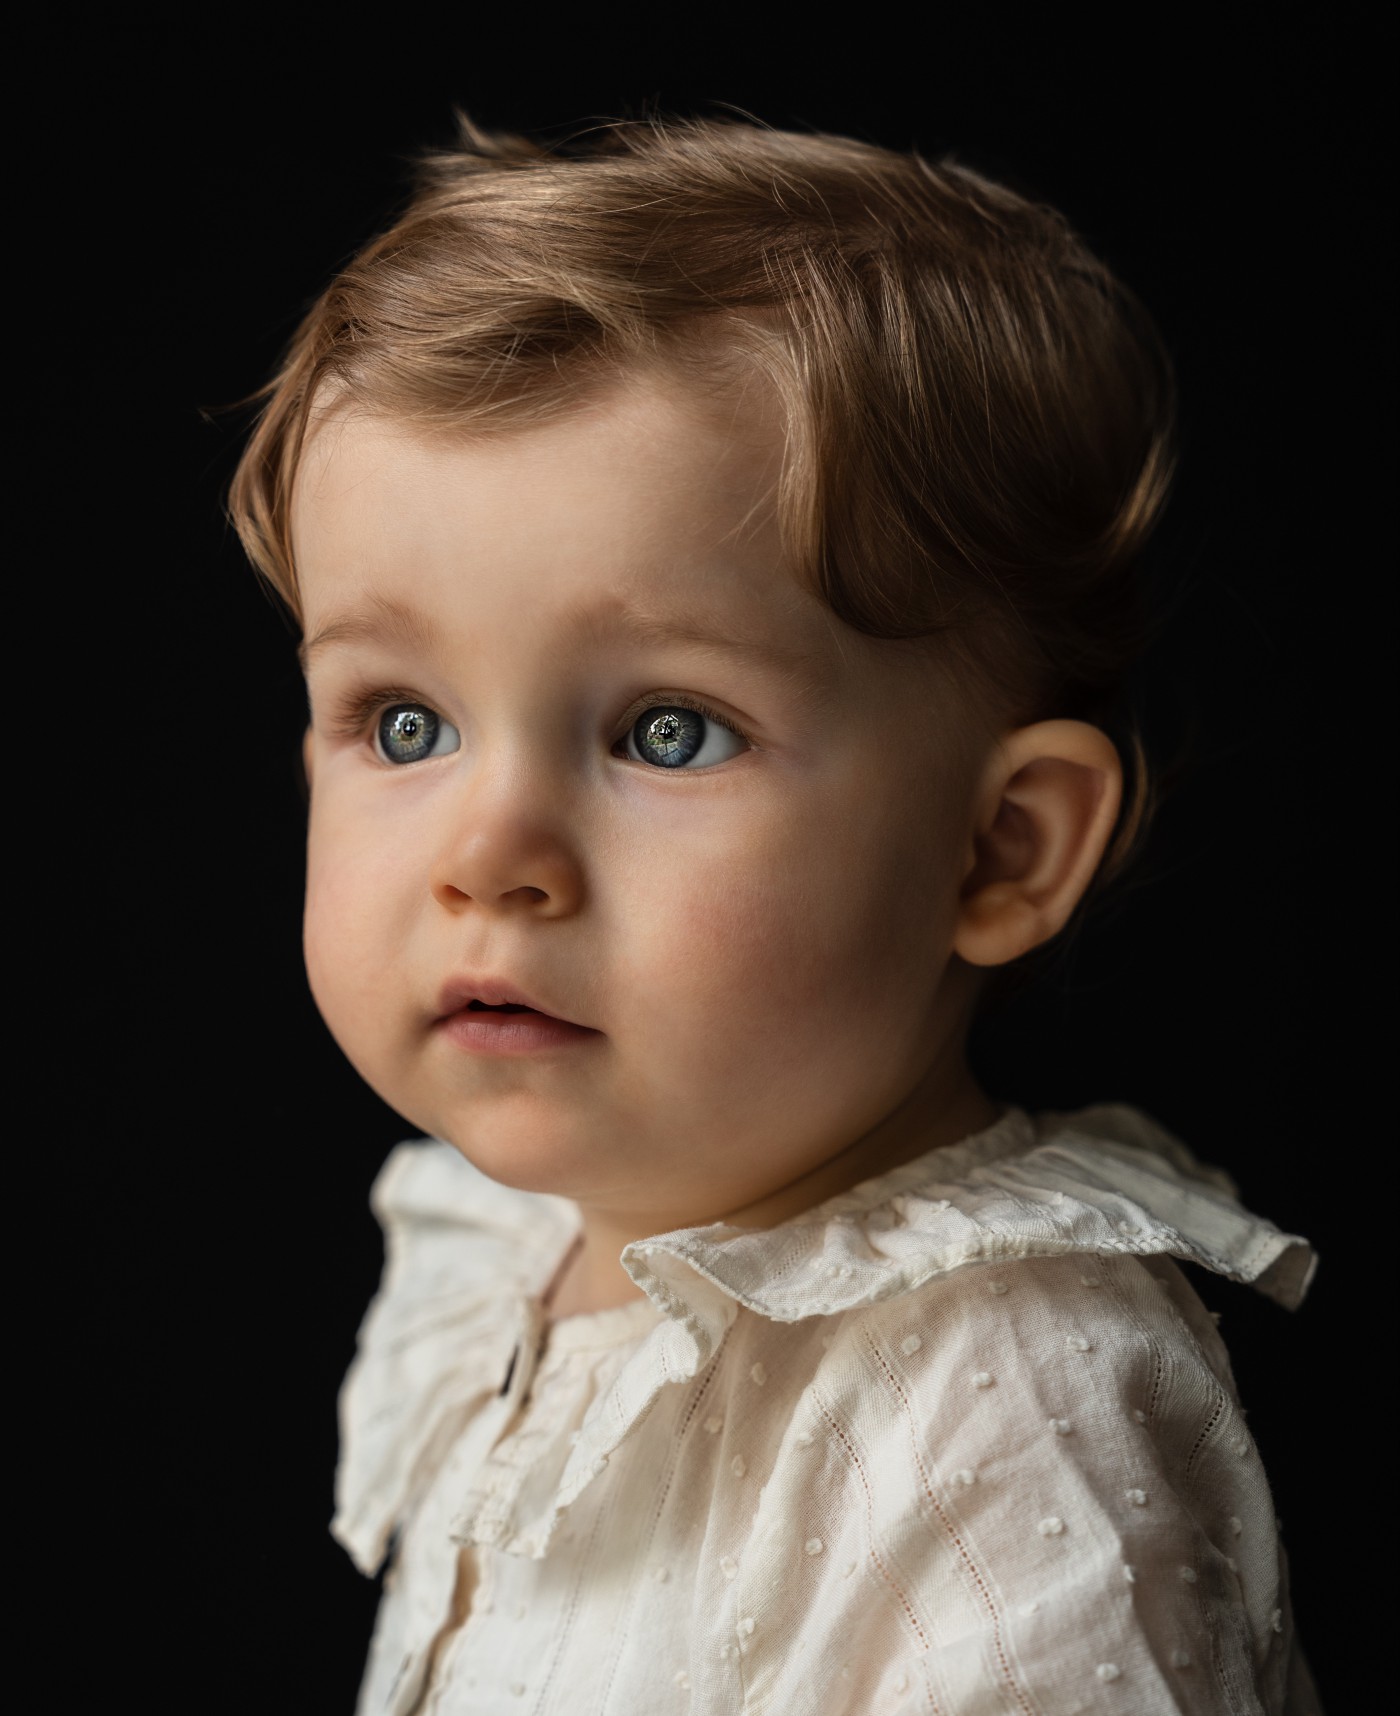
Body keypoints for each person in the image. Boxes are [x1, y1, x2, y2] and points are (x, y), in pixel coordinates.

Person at [229, 113, 1320, 1714]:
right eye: (403, 723)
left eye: (667, 730)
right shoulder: (500, 1252)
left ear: (996, 851)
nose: (490, 853)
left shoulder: (1002, 1401)